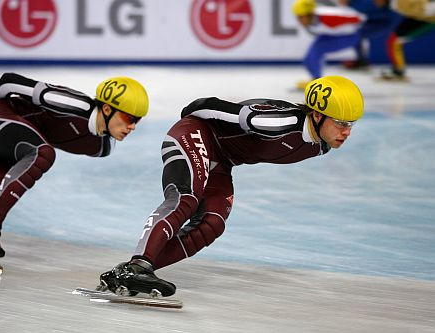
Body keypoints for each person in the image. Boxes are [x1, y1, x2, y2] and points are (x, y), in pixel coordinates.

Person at [98, 75, 364, 297]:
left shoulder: (322, 146)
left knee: (212, 223)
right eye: (341, 123)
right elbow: (208, 105)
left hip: (222, 161)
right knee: (186, 199)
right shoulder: (278, 122)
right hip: (196, 133)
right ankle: (138, 266)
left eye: (351, 125)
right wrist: (187, 121)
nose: (346, 132)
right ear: (317, 115)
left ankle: (135, 272)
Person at [0, 73, 148, 263]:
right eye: (129, 118)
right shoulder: (73, 104)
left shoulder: (102, 146)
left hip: (16, 147)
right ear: (108, 109)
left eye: (137, 120)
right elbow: (8, 82)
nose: (133, 126)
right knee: (45, 152)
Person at [293, 0, 366, 90]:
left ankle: (317, 82)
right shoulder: (311, 21)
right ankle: (315, 80)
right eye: (298, 17)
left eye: (301, 17)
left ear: (310, 14)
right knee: (308, 57)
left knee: (317, 50)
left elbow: (360, 18)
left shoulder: (328, 17)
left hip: (351, 36)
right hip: (333, 35)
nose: (299, 20)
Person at [336, 0, 402, 70]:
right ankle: (361, 61)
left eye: (341, 1)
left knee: (357, 35)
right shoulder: (353, 5)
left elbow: (381, 12)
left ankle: (362, 61)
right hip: (374, 21)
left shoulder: (360, 3)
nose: (340, 2)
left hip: (385, 22)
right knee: (356, 35)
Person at [381, 0, 435, 80]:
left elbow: (426, 9)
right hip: (421, 16)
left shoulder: (398, 3)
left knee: (394, 40)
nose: (375, 2)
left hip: (427, 17)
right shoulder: (396, 4)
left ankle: (398, 71)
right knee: (393, 40)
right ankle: (398, 70)